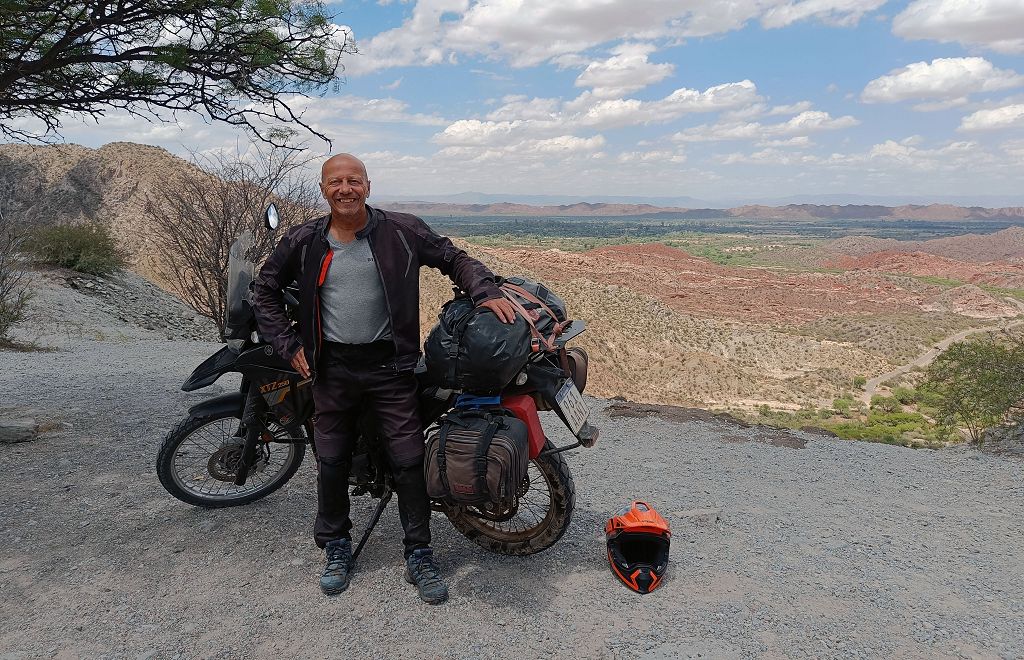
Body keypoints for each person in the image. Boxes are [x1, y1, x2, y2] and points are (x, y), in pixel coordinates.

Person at [251, 154, 516, 604]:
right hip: (330, 369)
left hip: (390, 368)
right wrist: (289, 345)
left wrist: (485, 291)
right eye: (336, 181)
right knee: (331, 460)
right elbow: (264, 290)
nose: (345, 188)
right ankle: (336, 545)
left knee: (408, 461)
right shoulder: (303, 240)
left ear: (368, 186)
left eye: (354, 180)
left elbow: (453, 257)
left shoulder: (401, 231)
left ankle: (419, 552)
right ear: (324, 189)